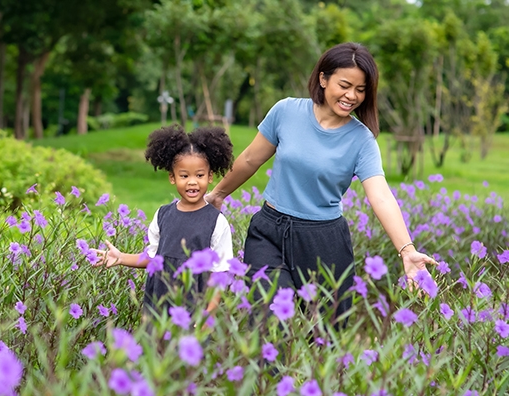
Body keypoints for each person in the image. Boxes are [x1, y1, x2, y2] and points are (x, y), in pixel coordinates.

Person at [204, 42, 437, 325]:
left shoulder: (361, 140)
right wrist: (218, 194)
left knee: (326, 335)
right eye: (344, 85)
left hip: (324, 243)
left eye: (361, 90)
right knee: (269, 318)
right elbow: (251, 159)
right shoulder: (286, 111)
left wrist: (407, 250)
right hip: (269, 233)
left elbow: (381, 197)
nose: (351, 95)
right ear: (323, 79)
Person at [93, 125, 235, 316]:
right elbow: (154, 259)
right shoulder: (162, 215)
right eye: (184, 176)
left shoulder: (216, 221)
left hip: (195, 309)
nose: (192, 181)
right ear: (172, 178)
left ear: (210, 177)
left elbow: (221, 273)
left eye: (199, 175)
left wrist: (207, 315)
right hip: (158, 306)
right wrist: (121, 258)